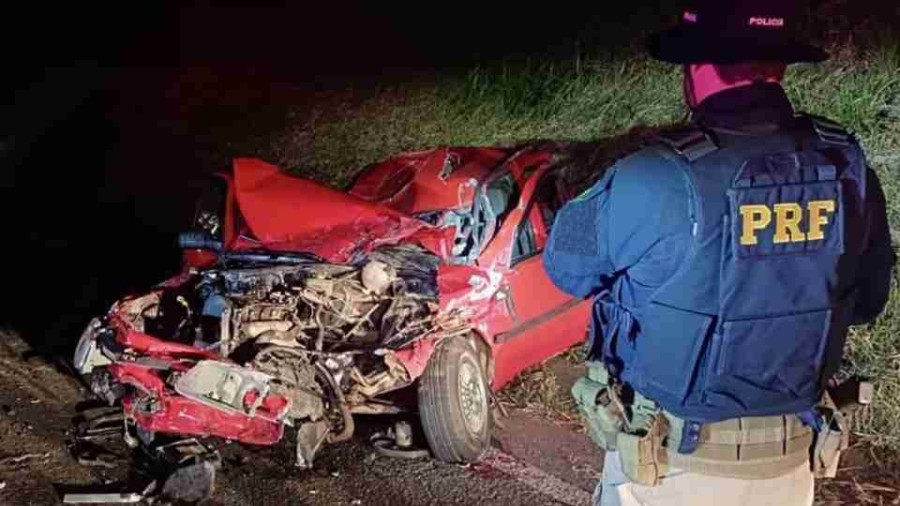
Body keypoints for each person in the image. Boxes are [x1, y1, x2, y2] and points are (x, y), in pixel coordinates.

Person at [542, 1, 896, 505]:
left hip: (670, 473)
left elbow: (566, 270)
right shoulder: (845, 162)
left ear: (700, 68)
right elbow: (867, 301)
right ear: (776, 66)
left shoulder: (655, 175)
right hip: (789, 468)